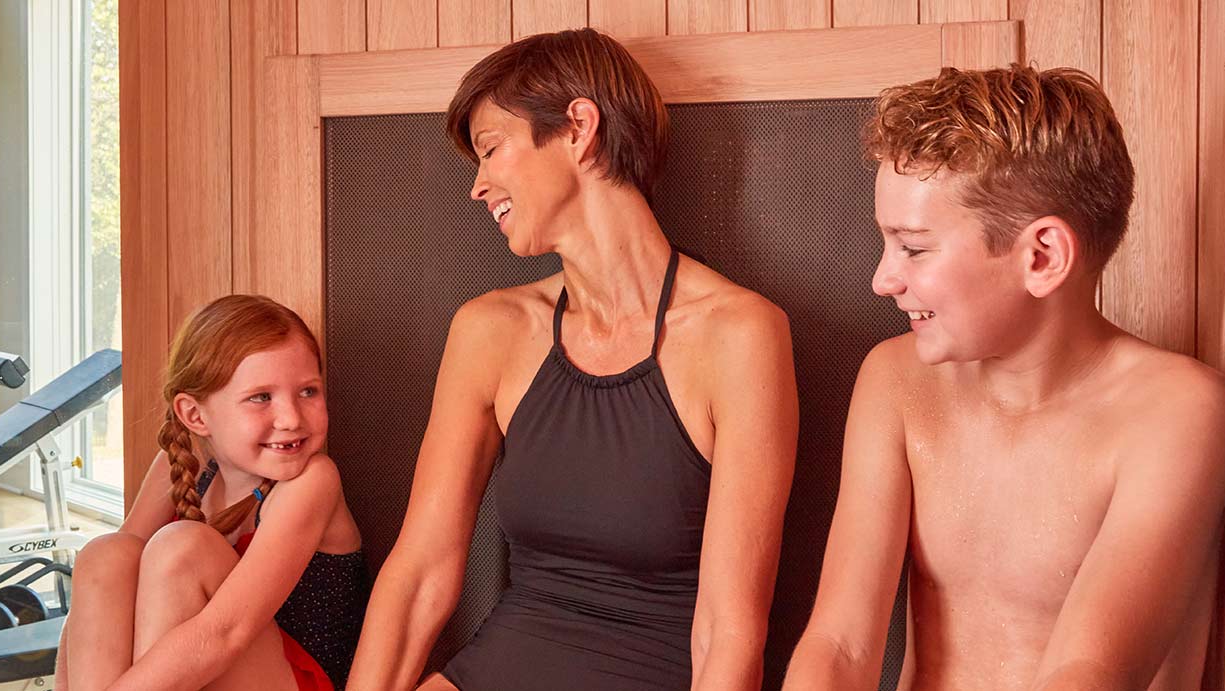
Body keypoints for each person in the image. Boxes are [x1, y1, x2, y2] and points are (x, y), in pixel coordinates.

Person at [346, 28, 798, 691]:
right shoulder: (491, 331)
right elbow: (420, 574)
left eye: (491, 150)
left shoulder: (739, 336)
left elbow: (729, 631)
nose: (478, 186)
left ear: (578, 128)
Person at [782, 65, 1225, 690]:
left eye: (913, 248)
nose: (883, 279)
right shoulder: (896, 381)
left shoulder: (1177, 413)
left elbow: (1090, 672)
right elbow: (840, 645)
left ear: (1042, 256)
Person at [56, 295, 368, 691]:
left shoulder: (312, 481)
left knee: (184, 548)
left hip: (285, 676)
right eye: (261, 397)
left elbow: (226, 632)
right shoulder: (188, 459)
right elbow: (102, 592)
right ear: (195, 416)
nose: (291, 418)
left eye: (308, 391)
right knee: (107, 554)